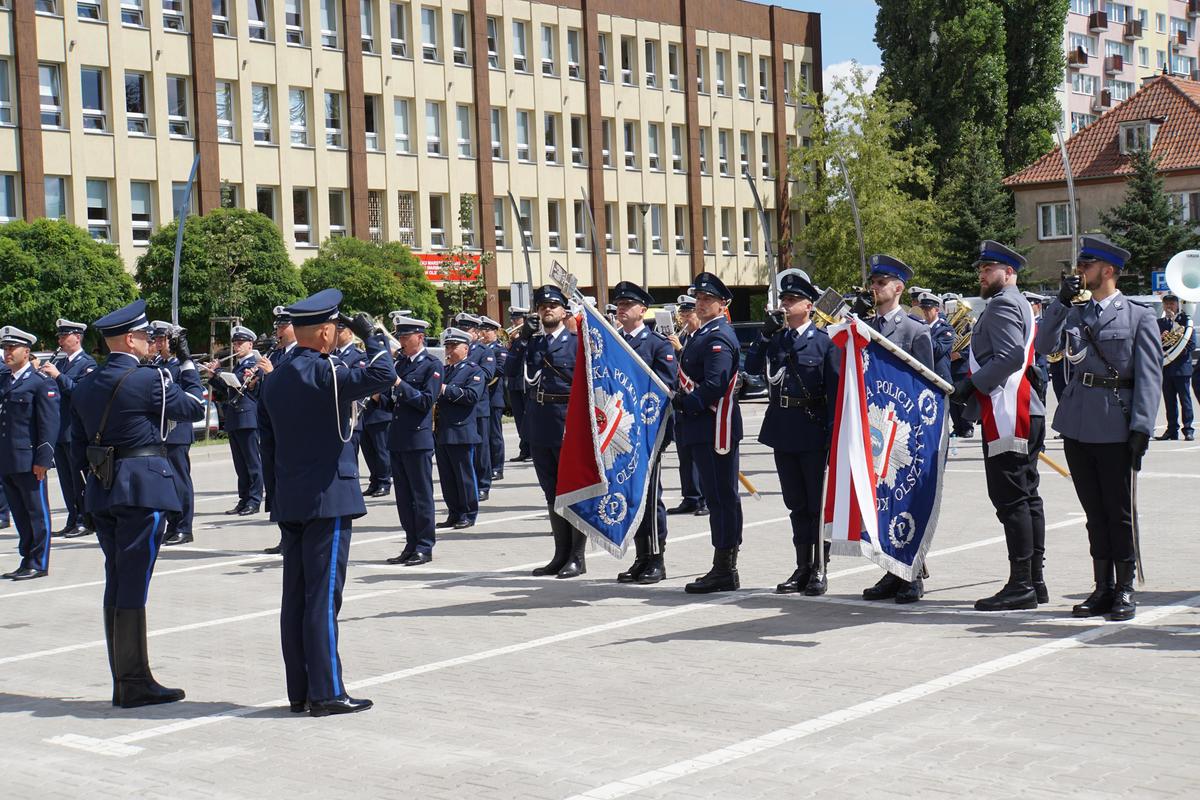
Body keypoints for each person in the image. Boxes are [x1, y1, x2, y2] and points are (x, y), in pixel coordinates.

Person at [257, 290, 395, 716]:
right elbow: (384, 374)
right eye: (336, 329)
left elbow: (268, 446)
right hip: (328, 497)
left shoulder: (276, 377)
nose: (339, 335)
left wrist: (275, 499)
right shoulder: (325, 372)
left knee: (296, 597)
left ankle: (299, 690)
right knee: (322, 597)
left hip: (292, 498)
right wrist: (373, 336)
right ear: (323, 331)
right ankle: (327, 692)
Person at [69, 301, 205, 706]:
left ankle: (126, 677)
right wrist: (186, 363)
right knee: (132, 582)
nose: (150, 342)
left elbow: (77, 445)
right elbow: (194, 407)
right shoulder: (148, 379)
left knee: (117, 578)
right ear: (130, 339)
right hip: (141, 490)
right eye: (146, 336)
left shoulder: (86, 383)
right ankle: (132, 682)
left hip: (103, 488)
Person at [1035, 236, 1161, 621]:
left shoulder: (1139, 316)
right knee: (1094, 512)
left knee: (1118, 512)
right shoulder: (1075, 312)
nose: (1079, 272)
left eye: (1085, 265)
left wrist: (1142, 427)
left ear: (1106, 271)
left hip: (1116, 423)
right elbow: (1044, 345)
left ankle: (1124, 588)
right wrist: (1059, 302)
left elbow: (1149, 376)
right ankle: (1102, 587)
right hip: (1077, 422)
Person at [950, 241, 1047, 611]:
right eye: (981, 268)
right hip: (1023, 411)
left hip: (1011, 414)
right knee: (1027, 497)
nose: (982, 274)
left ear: (1009, 273)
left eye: (989, 269)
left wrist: (971, 385)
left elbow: (1007, 357)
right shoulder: (1016, 302)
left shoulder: (1005, 303)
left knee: (1012, 500)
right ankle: (1034, 581)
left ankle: (1021, 584)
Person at [745, 271, 839, 596]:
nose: (785, 305)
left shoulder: (824, 343)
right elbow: (753, 369)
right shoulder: (776, 339)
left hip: (813, 430)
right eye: (783, 300)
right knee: (795, 504)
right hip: (783, 429)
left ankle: (819, 568)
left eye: (792, 300)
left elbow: (835, 393)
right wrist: (763, 335)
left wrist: (831, 437)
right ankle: (801, 566)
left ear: (808, 306)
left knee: (817, 505)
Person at [853, 254, 934, 604]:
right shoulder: (865, 326)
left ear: (898, 288)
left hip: (904, 434)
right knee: (883, 501)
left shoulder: (915, 331)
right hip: (875, 431)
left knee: (908, 501)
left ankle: (912, 572)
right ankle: (890, 570)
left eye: (882, 282)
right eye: (873, 282)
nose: (875, 287)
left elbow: (927, 385)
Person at [675, 273, 744, 594]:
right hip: (702, 427)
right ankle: (723, 566)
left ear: (722, 303)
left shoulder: (720, 335)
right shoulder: (700, 333)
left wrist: (688, 403)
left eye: (707, 299)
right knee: (716, 497)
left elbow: (716, 383)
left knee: (721, 498)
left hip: (715, 427)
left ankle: (725, 567)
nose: (700, 304)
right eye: (698, 299)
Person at [610, 281, 676, 584]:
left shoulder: (657, 345)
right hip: (620, 434)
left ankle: (656, 558)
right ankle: (640, 557)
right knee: (631, 495)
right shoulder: (614, 342)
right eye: (619, 305)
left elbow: (665, 388)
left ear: (642, 310)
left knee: (649, 497)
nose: (621, 310)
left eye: (628, 305)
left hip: (648, 434)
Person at [520, 285, 586, 578]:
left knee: (571, 489)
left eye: (553, 305)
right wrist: (522, 342)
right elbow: (515, 375)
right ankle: (560, 554)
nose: (547, 309)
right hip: (539, 421)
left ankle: (577, 556)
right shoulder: (533, 344)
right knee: (551, 491)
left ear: (564, 311)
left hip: (565, 422)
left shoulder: (575, 342)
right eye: (542, 306)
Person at [382, 315, 442, 565]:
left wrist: (398, 383)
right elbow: (391, 403)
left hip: (418, 438)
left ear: (420, 337)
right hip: (397, 437)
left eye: (406, 337)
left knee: (421, 495)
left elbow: (425, 402)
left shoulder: (432, 365)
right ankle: (410, 543)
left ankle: (425, 545)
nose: (402, 342)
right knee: (404, 497)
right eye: (400, 337)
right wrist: (379, 396)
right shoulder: (401, 364)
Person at [0, 326, 60, 580]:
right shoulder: (5, 381)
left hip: (29, 460)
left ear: (27, 351)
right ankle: (27, 558)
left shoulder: (39, 383)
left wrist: (43, 460)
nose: (7, 352)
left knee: (37, 513)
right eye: (5, 348)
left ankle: (39, 561)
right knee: (20, 514)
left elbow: (49, 424)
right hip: (7, 460)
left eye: (12, 348)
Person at [38, 318, 96, 538]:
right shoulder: (61, 363)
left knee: (78, 477)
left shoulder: (87, 363)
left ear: (77, 337)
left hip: (76, 431)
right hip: (59, 430)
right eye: (59, 337)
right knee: (65, 479)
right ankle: (73, 518)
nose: (60, 340)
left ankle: (85, 519)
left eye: (64, 336)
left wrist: (58, 377)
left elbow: (83, 393)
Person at [205, 327, 263, 516]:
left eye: (240, 343)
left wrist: (220, 371)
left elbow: (243, 385)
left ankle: (254, 500)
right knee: (240, 464)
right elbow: (228, 388)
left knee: (252, 462)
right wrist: (213, 376)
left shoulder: (255, 364)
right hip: (235, 418)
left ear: (250, 345)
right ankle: (244, 499)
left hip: (248, 418)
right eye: (235, 343)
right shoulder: (238, 366)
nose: (237, 346)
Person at [150, 322, 198, 546]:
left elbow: (188, 394)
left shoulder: (182, 365)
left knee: (180, 480)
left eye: (162, 340)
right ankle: (172, 524)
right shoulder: (158, 363)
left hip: (177, 430)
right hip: (160, 431)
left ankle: (184, 527)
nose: (158, 344)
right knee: (167, 482)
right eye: (156, 340)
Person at [434, 328, 484, 531]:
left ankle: (468, 513)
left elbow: (472, 396)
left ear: (466, 349)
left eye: (454, 346)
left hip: (461, 430)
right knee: (447, 476)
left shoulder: (474, 370)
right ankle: (454, 512)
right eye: (447, 346)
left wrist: (445, 389)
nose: (449, 350)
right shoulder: (446, 370)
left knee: (463, 475)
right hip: (442, 429)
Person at [665, 295, 708, 517]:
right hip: (681, 404)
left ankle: (705, 499)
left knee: (701, 457)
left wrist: (680, 349)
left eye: (687, 314)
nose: (684, 319)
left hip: (698, 404)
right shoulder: (684, 337)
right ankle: (690, 497)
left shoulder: (701, 339)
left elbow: (697, 369)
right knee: (685, 456)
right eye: (681, 315)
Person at [454, 313, 497, 502]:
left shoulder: (484, 351)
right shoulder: (452, 349)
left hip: (478, 407)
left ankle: (483, 484)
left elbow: (487, 374)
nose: (464, 332)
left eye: (467, 329)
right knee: (461, 451)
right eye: (461, 329)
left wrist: (462, 371)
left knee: (481, 449)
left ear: (476, 332)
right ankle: (466, 486)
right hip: (457, 407)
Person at [1156, 292, 1194, 441]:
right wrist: (1161, 339)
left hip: (1181, 367)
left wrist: (1174, 344)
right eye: (1166, 304)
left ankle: (1188, 430)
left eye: (1172, 303)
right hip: (1166, 368)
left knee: (1185, 400)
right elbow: (1154, 345)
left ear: (1177, 305)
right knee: (1169, 401)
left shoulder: (1186, 321)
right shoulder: (1159, 323)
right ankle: (1172, 430)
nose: (1169, 306)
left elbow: (1191, 345)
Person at [479, 316, 507, 481]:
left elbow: (499, 370)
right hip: (481, 397)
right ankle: (487, 466)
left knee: (494, 434)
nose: (484, 333)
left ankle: (497, 467)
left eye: (487, 330)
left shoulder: (499, 350)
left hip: (493, 396)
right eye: (482, 329)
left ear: (495, 332)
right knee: (483, 435)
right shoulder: (480, 350)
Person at [505, 306, 532, 463]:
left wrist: (520, 338)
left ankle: (532, 449)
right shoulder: (513, 338)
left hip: (526, 383)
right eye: (513, 319)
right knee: (519, 419)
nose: (514, 322)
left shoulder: (529, 337)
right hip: (515, 382)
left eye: (517, 319)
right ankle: (524, 449)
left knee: (529, 418)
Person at [916, 292, 954, 385]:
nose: (924, 311)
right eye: (922, 308)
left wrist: (923, 329)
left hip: (939, 378)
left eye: (927, 308)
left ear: (937, 310)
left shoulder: (946, 329)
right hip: (919, 375)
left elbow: (937, 351)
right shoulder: (918, 326)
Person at [1024, 292, 1052, 407]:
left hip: (1038, 371)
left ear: (1038, 306)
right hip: (1022, 372)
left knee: (1039, 412)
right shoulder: (1021, 324)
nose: (1027, 308)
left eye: (1030, 305)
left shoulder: (1043, 324)